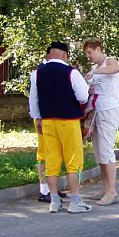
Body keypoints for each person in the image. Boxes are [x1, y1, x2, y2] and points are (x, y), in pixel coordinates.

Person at [29, 41, 91, 214]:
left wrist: (38, 118)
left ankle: (54, 201)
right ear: (65, 55)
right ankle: (75, 201)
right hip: (69, 121)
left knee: (52, 162)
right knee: (73, 162)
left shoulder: (37, 73)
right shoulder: (71, 72)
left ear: (50, 54)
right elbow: (83, 96)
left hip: (47, 121)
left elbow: (33, 100)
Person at [83, 37, 119, 206]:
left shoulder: (108, 61)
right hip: (96, 112)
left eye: (90, 52)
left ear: (98, 48)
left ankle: (112, 191)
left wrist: (96, 73)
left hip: (108, 110)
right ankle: (106, 188)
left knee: (106, 150)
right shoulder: (94, 68)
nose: (89, 56)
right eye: (87, 54)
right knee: (99, 152)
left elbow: (115, 68)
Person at [32, 52, 67, 203]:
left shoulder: (50, 70)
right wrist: (37, 117)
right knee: (45, 154)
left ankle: (53, 188)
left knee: (54, 154)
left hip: (52, 118)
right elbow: (33, 98)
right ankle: (44, 189)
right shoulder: (39, 72)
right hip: (43, 118)